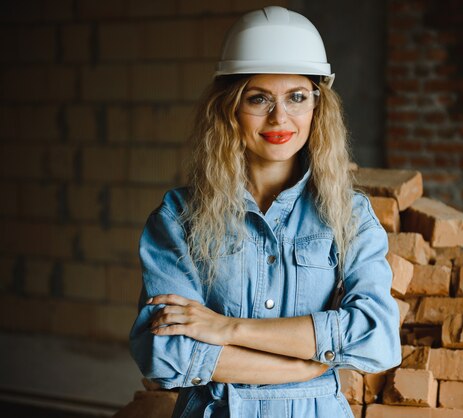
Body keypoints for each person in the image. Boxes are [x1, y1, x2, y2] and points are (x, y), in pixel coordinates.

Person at [129, 6, 401, 418]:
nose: (280, 117)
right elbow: (165, 355)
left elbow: (376, 338)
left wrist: (227, 329)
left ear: (317, 107)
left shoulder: (349, 215)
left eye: (296, 97)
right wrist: (310, 363)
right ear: (230, 108)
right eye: (259, 98)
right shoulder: (179, 216)